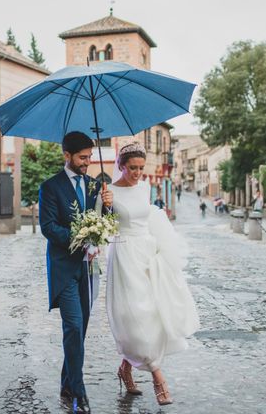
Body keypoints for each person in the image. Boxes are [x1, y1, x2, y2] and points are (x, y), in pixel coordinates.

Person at [106, 142, 199, 406]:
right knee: (134, 315)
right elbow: (101, 227)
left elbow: (148, 218)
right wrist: (106, 207)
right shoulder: (107, 192)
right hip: (124, 254)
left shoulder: (145, 187)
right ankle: (158, 378)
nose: (137, 173)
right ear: (121, 166)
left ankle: (126, 367)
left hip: (147, 253)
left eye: (140, 168)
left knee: (151, 315)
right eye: (132, 168)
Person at [39, 131, 113, 413]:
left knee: (79, 330)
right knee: (72, 325)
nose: (87, 162)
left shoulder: (95, 185)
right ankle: (79, 392)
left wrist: (108, 206)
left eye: (90, 157)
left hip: (89, 269)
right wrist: (79, 237)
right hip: (65, 268)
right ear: (66, 156)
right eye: (82, 157)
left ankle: (67, 381)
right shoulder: (50, 187)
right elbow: (48, 228)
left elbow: (105, 220)